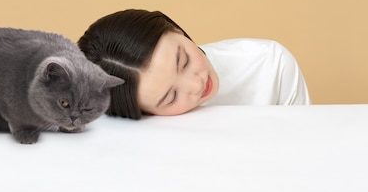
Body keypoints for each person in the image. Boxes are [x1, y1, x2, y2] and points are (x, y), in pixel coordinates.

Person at [77, 9, 310, 119]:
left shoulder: (269, 64)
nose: (196, 84)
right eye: (170, 98)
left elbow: (307, 150)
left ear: (176, 29)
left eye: (184, 61)